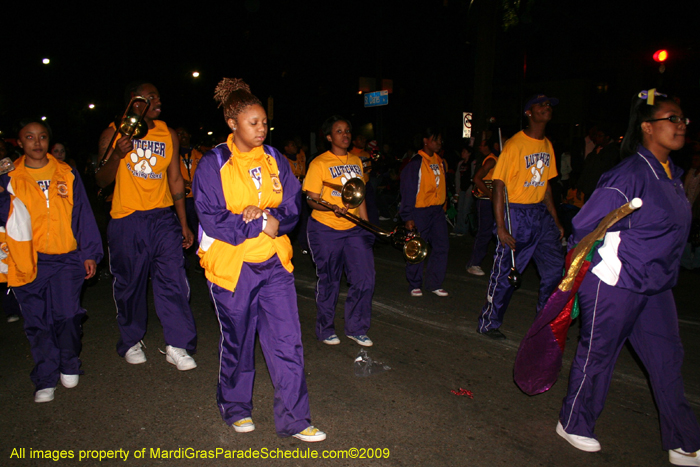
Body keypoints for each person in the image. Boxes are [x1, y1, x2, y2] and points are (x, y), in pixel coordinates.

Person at [556, 91, 700, 465]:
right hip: (615, 281)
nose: (681, 124)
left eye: (683, 118)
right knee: (599, 356)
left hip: (656, 286)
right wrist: (586, 272)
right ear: (648, 127)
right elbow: (586, 224)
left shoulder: (671, 176)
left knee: (668, 360)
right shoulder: (631, 173)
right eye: (672, 118)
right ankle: (574, 422)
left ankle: (684, 441)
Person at [194, 78, 324, 442]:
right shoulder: (214, 163)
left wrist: (269, 217)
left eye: (264, 122)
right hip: (233, 267)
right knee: (238, 341)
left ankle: (296, 420)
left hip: (274, 264)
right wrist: (252, 222)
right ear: (232, 124)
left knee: (287, 342)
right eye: (253, 123)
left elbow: (292, 205)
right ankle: (235, 407)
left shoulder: (275, 158)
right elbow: (210, 216)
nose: (261, 128)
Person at [96, 81, 197, 370]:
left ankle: (177, 344)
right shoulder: (113, 131)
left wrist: (183, 223)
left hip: (162, 218)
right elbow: (101, 180)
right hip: (127, 219)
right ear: (134, 100)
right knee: (130, 284)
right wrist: (117, 153)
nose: (158, 101)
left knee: (174, 280)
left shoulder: (168, 133)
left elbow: (176, 178)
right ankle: (130, 339)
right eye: (151, 96)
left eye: (159, 96)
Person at [0, 119, 102, 402]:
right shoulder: (9, 176)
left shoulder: (66, 172)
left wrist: (89, 253)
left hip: (66, 258)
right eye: (29, 137)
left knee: (68, 315)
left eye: (42, 136)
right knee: (37, 321)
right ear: (19, 143)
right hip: (26, 260)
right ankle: (45, 376)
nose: (37, 142)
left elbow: (82, 214)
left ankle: (69, 362)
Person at [477, 94, 565, 339]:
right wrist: (501, 227)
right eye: (542, 104)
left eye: (549, 105)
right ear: (529, 112)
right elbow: (499, 185)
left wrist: (555, 219)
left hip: (540, 214)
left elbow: (546, 186)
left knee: (556, 268)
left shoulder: (547, 145)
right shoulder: (515, 145)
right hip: (516, 213)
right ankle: (489, 322)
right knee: (507, 271)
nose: (547, 108)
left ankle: (544, 322)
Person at [303, 115, 375, 347]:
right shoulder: (319, 163)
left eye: (347, 131)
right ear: (328, 137)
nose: (345, 135)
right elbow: (311, 199)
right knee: (330, 280)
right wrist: (329, 206)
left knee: (365, 279)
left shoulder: (356, 161)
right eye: (339, 131)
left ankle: (356, 328)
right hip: (326, 228)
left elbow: (359, 195)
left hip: (354, 228)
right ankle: (325, 329)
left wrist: (367, 225)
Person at [399, 128, 449, 297]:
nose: (439, 142)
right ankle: (414, 283)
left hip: (436, 211)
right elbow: (407, 190)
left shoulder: (439, 161)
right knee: (417, 248)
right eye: (436, 139)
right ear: (426, 141)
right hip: (420, 211)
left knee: (441, 246)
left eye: (440, 140)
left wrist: (444, 205)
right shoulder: (416, 163)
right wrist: (408, 216)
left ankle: (434, 283)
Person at [466, 138, 499, 276]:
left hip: (489, 200)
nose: (480, 146)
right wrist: (490, 194)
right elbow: (477, 178)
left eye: (483, 144)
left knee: (494, 231)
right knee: (484, 231)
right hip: (486, 201)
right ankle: (474, 263)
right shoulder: (491, 160)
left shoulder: (491, 159)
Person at [175, 127, 204, 248]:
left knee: (199, 230)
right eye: (179, 134)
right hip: (180, 199)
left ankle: (200, 258)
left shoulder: (198, 154)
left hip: (197, 198)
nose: (182, 136)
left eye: (184, 132)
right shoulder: (173, 155)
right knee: (179, 229)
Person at [452, 143, 475, 237]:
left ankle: (464, 230)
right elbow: (457, 177)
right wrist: (457, 189)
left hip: (468, 189)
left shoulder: (473, 163)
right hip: (461, 189)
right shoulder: (460, 164)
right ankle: (458, 228)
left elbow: (473, 176)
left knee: (466, 209)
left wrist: (471, 189)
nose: (462, 153)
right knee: (459, 209)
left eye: (464, 152)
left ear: (469, 153)